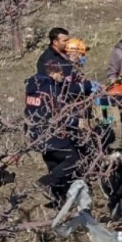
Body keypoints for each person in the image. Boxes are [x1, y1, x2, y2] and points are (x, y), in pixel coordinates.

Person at [25, 60, 81, 207]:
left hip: (36, 135)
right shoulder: (51, 89)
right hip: (52, 134)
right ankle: (44, 183)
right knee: (73, 159)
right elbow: (59, 114)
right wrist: (76, 121)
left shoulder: (34, 86)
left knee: (54, 165)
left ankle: (58, 200)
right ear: (52, 73)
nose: (62, 77)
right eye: (60, 74)